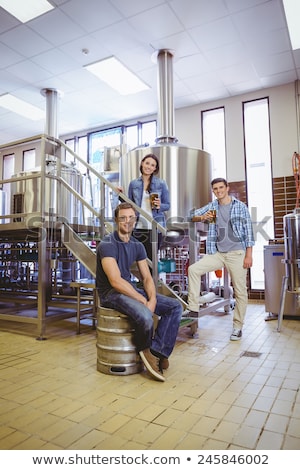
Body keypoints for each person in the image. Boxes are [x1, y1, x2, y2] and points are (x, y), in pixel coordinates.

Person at [96, 202, 182, 382]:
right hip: (110, 293)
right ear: (116, 220)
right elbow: (115, 281)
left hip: (128, 289)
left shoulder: (137, 245)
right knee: (144, 315)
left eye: (131, 218)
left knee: (174, 306)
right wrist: (143, 302)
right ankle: (145, 350)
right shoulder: (107, 244)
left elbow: (147, 278)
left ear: (135, 220)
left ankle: (158, 351)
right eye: (123, 218)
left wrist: (151, 299)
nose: (127, 221)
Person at [185, 177, 255, 341]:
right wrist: (202, 218)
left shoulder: (239, 206)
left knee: (240, 292)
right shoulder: (213, 206)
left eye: (221, 188)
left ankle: (237, 327)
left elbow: (249, 232)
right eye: (215, 189)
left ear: (227, 188)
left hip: (237, 253)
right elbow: (191, 216)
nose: (218, 191)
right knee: (193, 269)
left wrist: (249, 255)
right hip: (218, 253)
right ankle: (193, 309)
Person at [127, 153, 170, 260]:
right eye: (147, 163)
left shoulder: (161, 183)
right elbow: (129, 205)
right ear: (142, 163)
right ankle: (143, 278)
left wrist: (160, 205)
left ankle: (151, 277)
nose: (149, 167)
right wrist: (119, 194)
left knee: (151, 260)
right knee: (139, 260)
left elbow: (167, 205)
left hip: (155, 227)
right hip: (138, 227)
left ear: (155, 168)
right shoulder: (133, 184)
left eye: (152, 165)